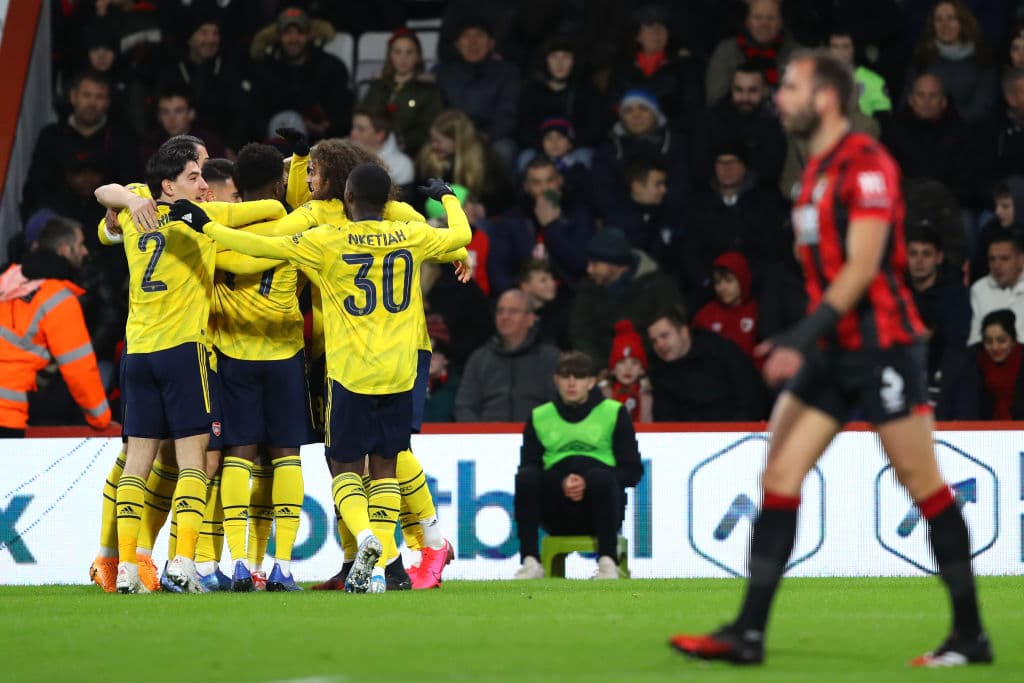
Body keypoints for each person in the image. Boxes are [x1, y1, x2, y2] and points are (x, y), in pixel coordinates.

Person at [670, 50, 992, 668]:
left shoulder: (867, 165)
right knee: (778, 475)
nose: (778, 98)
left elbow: (863, 268)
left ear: (825, 98)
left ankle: (970, 635)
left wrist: (798, 336)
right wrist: (810, 336)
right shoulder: (812, 171)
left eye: (789, 88)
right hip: (833, 347)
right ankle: (748, 634)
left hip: (882, 348)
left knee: (923, 484)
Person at [171, 166, 472, 594]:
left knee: (346, 467)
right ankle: (387, 557)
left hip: (351, 374)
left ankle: (367, 538)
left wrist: (206, 225)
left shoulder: (327, 241)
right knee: (386, 468)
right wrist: (446, 196)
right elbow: (461, 237)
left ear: (348, 198)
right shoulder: (413, 236)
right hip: (401, 372)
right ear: (386, 199)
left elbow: (261, 245)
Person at [513, 351, 643, 580]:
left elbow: (632, 471)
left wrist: (588, 482)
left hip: (601, 507)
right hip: (556, 508)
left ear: (592, 381)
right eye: (565, 375)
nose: (572, 382)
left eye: (579, 376)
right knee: (526, 478)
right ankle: (530, 561)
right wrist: (561, 483)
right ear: (556, 380)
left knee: (601, 479)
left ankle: (607, 563)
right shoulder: (540, 416)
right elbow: (529, 466)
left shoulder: (613, 413)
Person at [0, 218, 111, 438]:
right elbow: (79, 368)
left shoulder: (7, 280)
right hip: (7, 414)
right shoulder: (58, 298)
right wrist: (101, 419)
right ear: (63, 249)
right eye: (80, 244)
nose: (85, 251)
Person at [569, 227, 684, 364]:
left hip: (653, 368)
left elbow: (670, 330)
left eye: (595, 263)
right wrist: (601, 367)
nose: (589, 269)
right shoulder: (588, 288)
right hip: (604, 369)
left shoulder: (658, 286)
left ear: (614, 264)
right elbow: (580, 332)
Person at [454, 289, 560, 422]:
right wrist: (479, 436)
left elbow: (559, 405)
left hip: (536, 436)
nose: (504, 317)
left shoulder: (550, 358)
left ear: (530, 319)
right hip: (488, 439)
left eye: (513, 311)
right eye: (500, 311)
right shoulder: (479, 359)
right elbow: (465, 406)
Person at [646, 304, 764, 421]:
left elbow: (750, 396)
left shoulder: (721, 350)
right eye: (654, 341)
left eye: (664, 336)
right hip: (687, 437)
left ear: (684, 332)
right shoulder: (658, 371)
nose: (660, 345)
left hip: (735, 431)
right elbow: (664, 417)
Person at [904, 0, 997, 125]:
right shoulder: (922, 58)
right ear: (933, 26)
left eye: (951, 18)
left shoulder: (982, 59)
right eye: (939, 20)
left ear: (963, 23)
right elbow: (906, 101)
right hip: (921, 130)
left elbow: (982, 107)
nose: (945, 25)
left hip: (967, 134)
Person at [358, 27, 445, 155]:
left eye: (409, 52)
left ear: (418, 57)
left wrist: (402, 142)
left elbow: (430, 127)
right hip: (373, 150)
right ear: (390, 55)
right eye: (397, 52)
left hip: (412, 154)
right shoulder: (378, 86)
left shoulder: (429, 91)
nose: (403, 58)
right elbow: (364, 117)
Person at [705, 0, 800, 103]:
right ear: (747, 22)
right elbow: (715, 101)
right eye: (757, 18)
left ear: (781, 23)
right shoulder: (726, 52)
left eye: (771, 18)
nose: (764, 24)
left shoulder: (796, 55)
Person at [691, 251, 760, 362]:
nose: (722, 287)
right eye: (717, 282)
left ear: (742, 279)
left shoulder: (757, 310)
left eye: (729, 280)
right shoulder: (704, 316)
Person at [968, 232, 1024, 344]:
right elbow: (974, 339)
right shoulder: (979, 289)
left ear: (1021, 260)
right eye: (992, 259)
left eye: (1004, 259)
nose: (997, 266)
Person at [600, 320, 652, 423]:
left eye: (634, 363)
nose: (628, 368)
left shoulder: (645, 397)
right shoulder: (604, 395)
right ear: (613, 370)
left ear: (641, 370)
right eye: (622, 362)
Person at [349, 107, 415, 186]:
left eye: (361, 129)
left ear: (380, 135)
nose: (352, 133)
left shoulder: (401, 166)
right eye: (353, 127)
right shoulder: (345, 155)